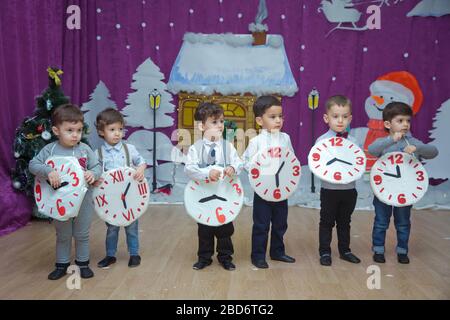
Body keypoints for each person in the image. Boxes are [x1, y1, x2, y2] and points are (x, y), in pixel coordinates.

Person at [29, 104, 101, 280]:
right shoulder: (50, 150)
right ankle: (62, 265)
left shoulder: (84, 149)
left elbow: (97, 166)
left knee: (82, 233)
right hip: (58, 200)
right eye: (70, 130)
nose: (75, 134)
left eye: (78, 130)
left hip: (83, 200)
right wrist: (48, 171)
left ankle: (83, 263)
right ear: (56, 130)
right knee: (63, 234)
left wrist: (93, 173)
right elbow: (33, 165)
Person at [368, 102, 438, 264]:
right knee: (381, 221)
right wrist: (391, 140)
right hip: (384, 190)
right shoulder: (384, 142)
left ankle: (402, 250)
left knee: (403, 222)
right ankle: (378, 249)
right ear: (387, 124)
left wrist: (417, 149)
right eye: (400, 121)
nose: (405, 124)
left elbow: (433, 152)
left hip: (404, 191)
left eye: (408, 121)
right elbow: (372, 149)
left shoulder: (412, 142)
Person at [185, 102, 243, 271]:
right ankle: (204, 257)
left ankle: (225, 257)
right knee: (204, 229)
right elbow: (189, 169)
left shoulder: (228, 146)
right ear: (202, 126)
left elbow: (239, 163)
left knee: (225, 229)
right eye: (214, 122)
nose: (220, 126)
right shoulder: (195, 149)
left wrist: (233, 167)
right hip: (204, 196)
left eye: (221, 121)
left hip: (224, 195)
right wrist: (206, 174)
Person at [243, 95, 296, 269]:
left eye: (280, 116)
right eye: (272, 117)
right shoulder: (256, 141)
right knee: (261, 224)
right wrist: (258, 165)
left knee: (281, 223)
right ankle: (258, 255)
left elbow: (291, 160)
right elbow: (247, 163)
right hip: (263, 191)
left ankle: (277, 251)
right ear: (260, 120)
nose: (278, 120)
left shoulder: (285, 138)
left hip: (281, 189)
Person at [94, 108, 147, 269]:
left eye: (120, 129)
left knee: (131, 227)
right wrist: (96, 179)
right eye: (112, 130)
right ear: (101, 132)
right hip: (111, 199)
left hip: (130, 196)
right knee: (112, 228)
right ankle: (110, 255)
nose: (117, 133)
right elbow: (94, 172)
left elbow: (141, 162)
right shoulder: (98, 154)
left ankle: (134, 254)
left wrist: (140, 169)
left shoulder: (129, 149)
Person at [315, 95, 361, 266]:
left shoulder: (354, 142)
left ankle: (345, 250)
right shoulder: (321, 141)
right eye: (335, 116)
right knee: (326, 222)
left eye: (344, 116)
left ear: (350, 118)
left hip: (349, 190)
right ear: (327, 118)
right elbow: (318, 164)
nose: (340, 121)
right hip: (329, 190)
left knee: (345, 222)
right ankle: (325, 252)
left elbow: (358, 164)